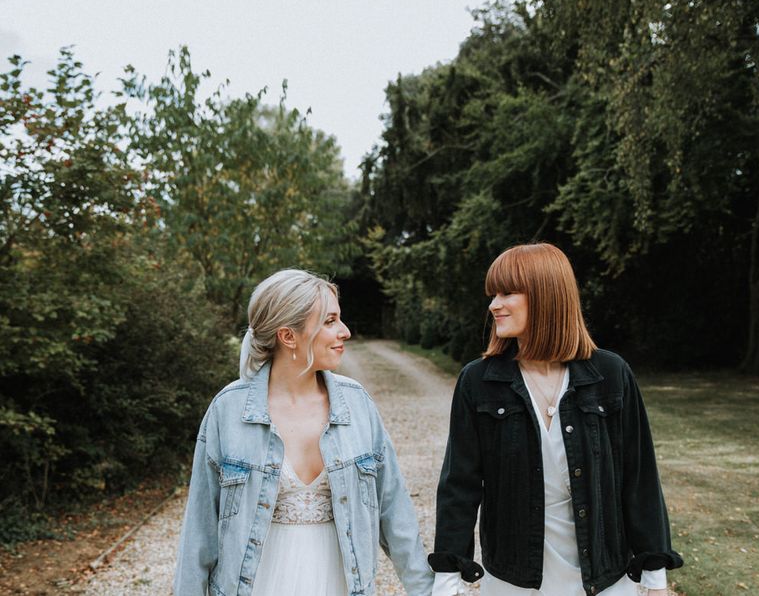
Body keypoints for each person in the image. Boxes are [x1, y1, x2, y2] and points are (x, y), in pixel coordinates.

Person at [430, 243, 683, 596]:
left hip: (605, 579)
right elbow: (460, 483)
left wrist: (655, 575)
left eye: (506, 293)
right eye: (492, 295)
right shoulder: (479, 382)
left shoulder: (611, 374)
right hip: (513, 581)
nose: (493, 305)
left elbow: (639, 478)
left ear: (545, 295)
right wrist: (446, 576)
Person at [174, 268, 433, 596]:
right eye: (330, 321)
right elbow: (199, 534)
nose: (345, 331)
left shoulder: (358, 405)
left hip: (339, 583)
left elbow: (396, 516)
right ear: (288, 336)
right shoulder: (228, 411)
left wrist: (427, 589)